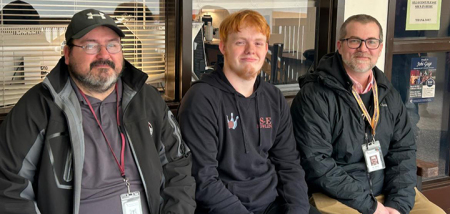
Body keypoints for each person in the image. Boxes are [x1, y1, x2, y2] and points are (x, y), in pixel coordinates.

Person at [0, 9, 195, 214]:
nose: (104, 55)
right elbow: (7, 185)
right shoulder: (38, 107)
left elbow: (178, 165)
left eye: (112, 44)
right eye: (90, 45)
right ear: (67, 54)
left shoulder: (147, 100)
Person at [290, 14, 445, 214]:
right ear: (340, 45)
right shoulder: (314, 96)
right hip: (335, 195)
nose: (363, 48)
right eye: (354, 41)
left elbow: (404, 152)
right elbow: (316, 163)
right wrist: (371, 207)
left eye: (371, 42)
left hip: (386, 192)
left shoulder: (388, 94)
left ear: (380, 48)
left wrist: (398, 204)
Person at [178, 10, 314, 214]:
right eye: (240, 42)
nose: (251, 50)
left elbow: (289, 165)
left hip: (274, 204)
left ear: (266, 48)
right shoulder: (201, 99)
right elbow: (203, 180)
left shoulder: (274, 98)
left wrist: (298, 211)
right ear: (223, 47)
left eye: (258, 43)